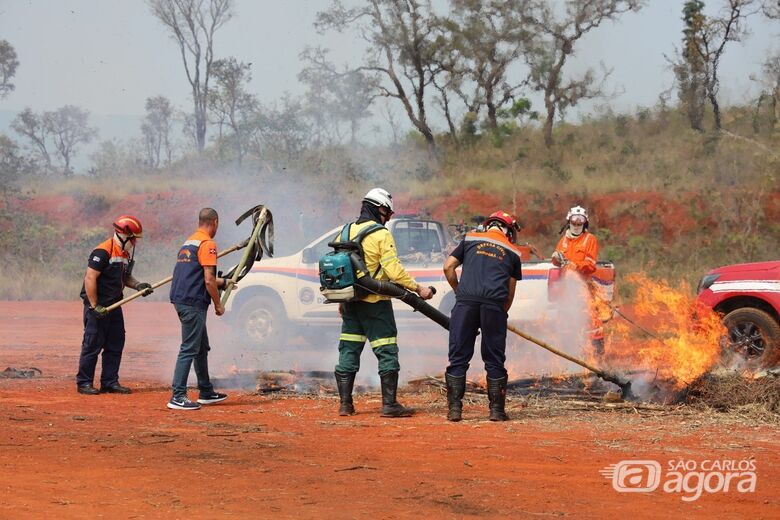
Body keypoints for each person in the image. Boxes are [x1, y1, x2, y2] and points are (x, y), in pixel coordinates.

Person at [333, 188, 434, 418]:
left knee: (349, 349)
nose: (388, 218)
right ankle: (390, 405)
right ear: (380, 209)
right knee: (386, 350)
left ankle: (345, 405)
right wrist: (419, 289)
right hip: (376, 303)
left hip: (350, 302)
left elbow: (342, 271)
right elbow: (393, 271)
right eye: (388, 213)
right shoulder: (381, 234)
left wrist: (342, 300)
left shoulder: (345, 232)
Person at [443, 210, 523, 422]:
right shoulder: (514, 251)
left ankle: (454, 410)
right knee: (494, 359)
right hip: (494, 305)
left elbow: (448, 267)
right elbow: (510, 291)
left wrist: (459, 292)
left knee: (458, 355)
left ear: (489, 225)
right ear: (508, 230)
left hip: (465, 303)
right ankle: (496, 411)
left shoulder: (470, 238)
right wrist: (498, 314)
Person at [77, 215, 153, 395]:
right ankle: (84, 383)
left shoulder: (124, 255)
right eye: (133, 238)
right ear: (123, 235)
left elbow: (125, 277)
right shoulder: (102, 252)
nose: (135, 242)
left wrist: (138, 285)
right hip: (98, 307)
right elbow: (90, 278)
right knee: (92, 345)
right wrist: (95, 306)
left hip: (115, 305)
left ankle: (110, 382)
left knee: (115, 344)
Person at [167, 208, 230, 410]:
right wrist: (219, 304)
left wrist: (224, 282)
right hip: (193, 302)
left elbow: (196, 274)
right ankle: (178, 396)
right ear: (215, 222)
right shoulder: (208, 244)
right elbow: (208, 280)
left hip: (182, 299)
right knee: (189, 348)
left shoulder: (190, 242)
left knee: (201, 347)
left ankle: (205, 390)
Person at [551, 205, 604, 354]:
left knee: (591, 320)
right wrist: (555, 259)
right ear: (569, 222)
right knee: (567, 321)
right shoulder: (564, 241)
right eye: (574, 222)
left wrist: (576, 265)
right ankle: (569, 354)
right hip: (566, 288)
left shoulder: (589, 239)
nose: (576, 225)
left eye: (580, 222)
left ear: (584, 223)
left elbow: (591, 264)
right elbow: (557, 262)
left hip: (583, 286)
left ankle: (597, 353)